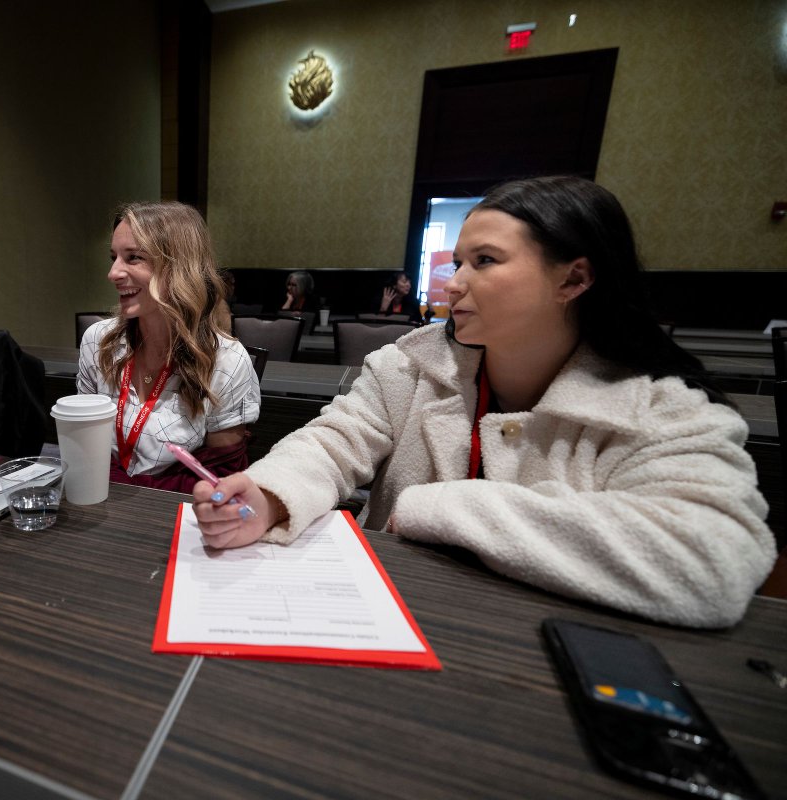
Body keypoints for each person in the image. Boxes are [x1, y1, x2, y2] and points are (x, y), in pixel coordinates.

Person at [191, 175, 774, 628]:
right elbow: (334, 441)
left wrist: (440, 508)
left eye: (485, 262)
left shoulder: (663, 409)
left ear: (574, 279)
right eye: (459, 261)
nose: (453, 282)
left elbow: (711, 560)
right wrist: (269, 496)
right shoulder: (408, 365)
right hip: (397, 620)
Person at [77, 201, 260, 492]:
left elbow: (221, 476)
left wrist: (127, 490)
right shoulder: (98, 341)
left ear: (179, 268)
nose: (113, 273)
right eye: (114, 257)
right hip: (101, 501)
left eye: (133, 257)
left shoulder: (227, 361)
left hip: (178, 514)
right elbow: (84, 442)